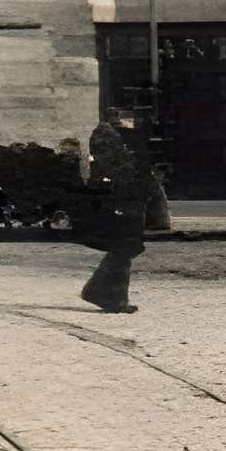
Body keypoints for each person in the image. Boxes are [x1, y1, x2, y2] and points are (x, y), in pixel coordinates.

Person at [79, 107, 156, 314]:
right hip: (122, 198)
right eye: (124, 118)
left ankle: (108, 294)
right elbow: (114, 168)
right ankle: (105, 294)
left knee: (126, 247)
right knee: (124, 246)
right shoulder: (105, 135)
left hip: (129, 196)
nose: (129, 122)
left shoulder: (118, 136)